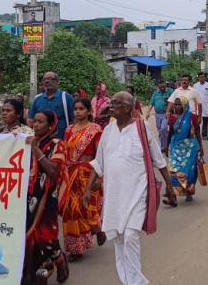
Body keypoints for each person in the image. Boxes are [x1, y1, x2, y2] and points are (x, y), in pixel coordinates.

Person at [83, 92, 175, 285]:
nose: (111, 106)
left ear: (127, 107)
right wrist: (88, 189)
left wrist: (169, 185)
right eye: (111, 103)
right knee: (119, 238)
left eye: (115, 103)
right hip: (115, 195)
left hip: (138, 193)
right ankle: (128, 281)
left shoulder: (141, 129)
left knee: (131, 236)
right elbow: (98, 163)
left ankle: (137, 283)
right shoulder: (108, 131)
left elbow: (158, 159)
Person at [23, 110, 68, 284]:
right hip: (27, 197)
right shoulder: (25, 142)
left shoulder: (57, 144)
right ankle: (38, 273)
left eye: (40, 122)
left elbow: (53, 171)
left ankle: (59, 260)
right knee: (30, 238)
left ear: (51, 125)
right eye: (34, 121)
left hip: (47, 197)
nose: (35, 125)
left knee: (47, 237)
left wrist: (35, 149)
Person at [60, 99, 105, 262]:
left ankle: (96, 228)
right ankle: (75, 248)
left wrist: (99, 176)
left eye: (81, 109)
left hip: (88, 173)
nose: (78, 112)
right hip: (70, 174)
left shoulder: (95, 130)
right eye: (76, 109)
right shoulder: (68, 130)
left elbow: (100, 155)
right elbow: (65, 151)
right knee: (71, 210)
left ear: (88, 111)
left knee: (87, 208)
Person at [167, 98, 203, 202]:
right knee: (174, 170)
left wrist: (201, 146)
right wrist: (166, 145)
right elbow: (170, 133)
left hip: (190, 148)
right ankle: (173, 194)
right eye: (176, 104)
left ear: (185, 106)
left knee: (190, 171)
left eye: (180, 105)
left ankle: (189, 191)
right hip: (176, 147)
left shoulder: (191, 117)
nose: (177, 107)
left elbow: (197, 132)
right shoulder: (172, 118)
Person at [30, 71, 75, 139]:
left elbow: (74, 119)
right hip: (41, 141)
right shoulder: (37, 99)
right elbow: (31, 119)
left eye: (50, 79)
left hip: (61, 141)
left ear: (57, 82)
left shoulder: (66, 97)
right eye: (45, 79)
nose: (47, 81)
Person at [149, 81, 172, 151]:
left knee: (163, 129)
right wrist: (147, 112)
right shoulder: (155, 93)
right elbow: (151, 103)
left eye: (163, 87)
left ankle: (163, 147)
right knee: (160, 131)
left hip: (166, 113)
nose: (162, 88)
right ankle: (166, 140)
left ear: (165, 86)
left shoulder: (169, 92)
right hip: (157, 114)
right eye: (160, 87)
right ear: (158, 87)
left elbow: (173, 101)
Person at [192, 72, 208, 138]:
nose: (202, 78)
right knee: (197, 121)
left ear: (205, 77)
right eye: (200, 77)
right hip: (197, 106)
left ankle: (204, 134)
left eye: (203, 77)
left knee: (205, 120)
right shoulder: (195, 85)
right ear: (198, 78)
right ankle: (196, 134)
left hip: (206, 105)